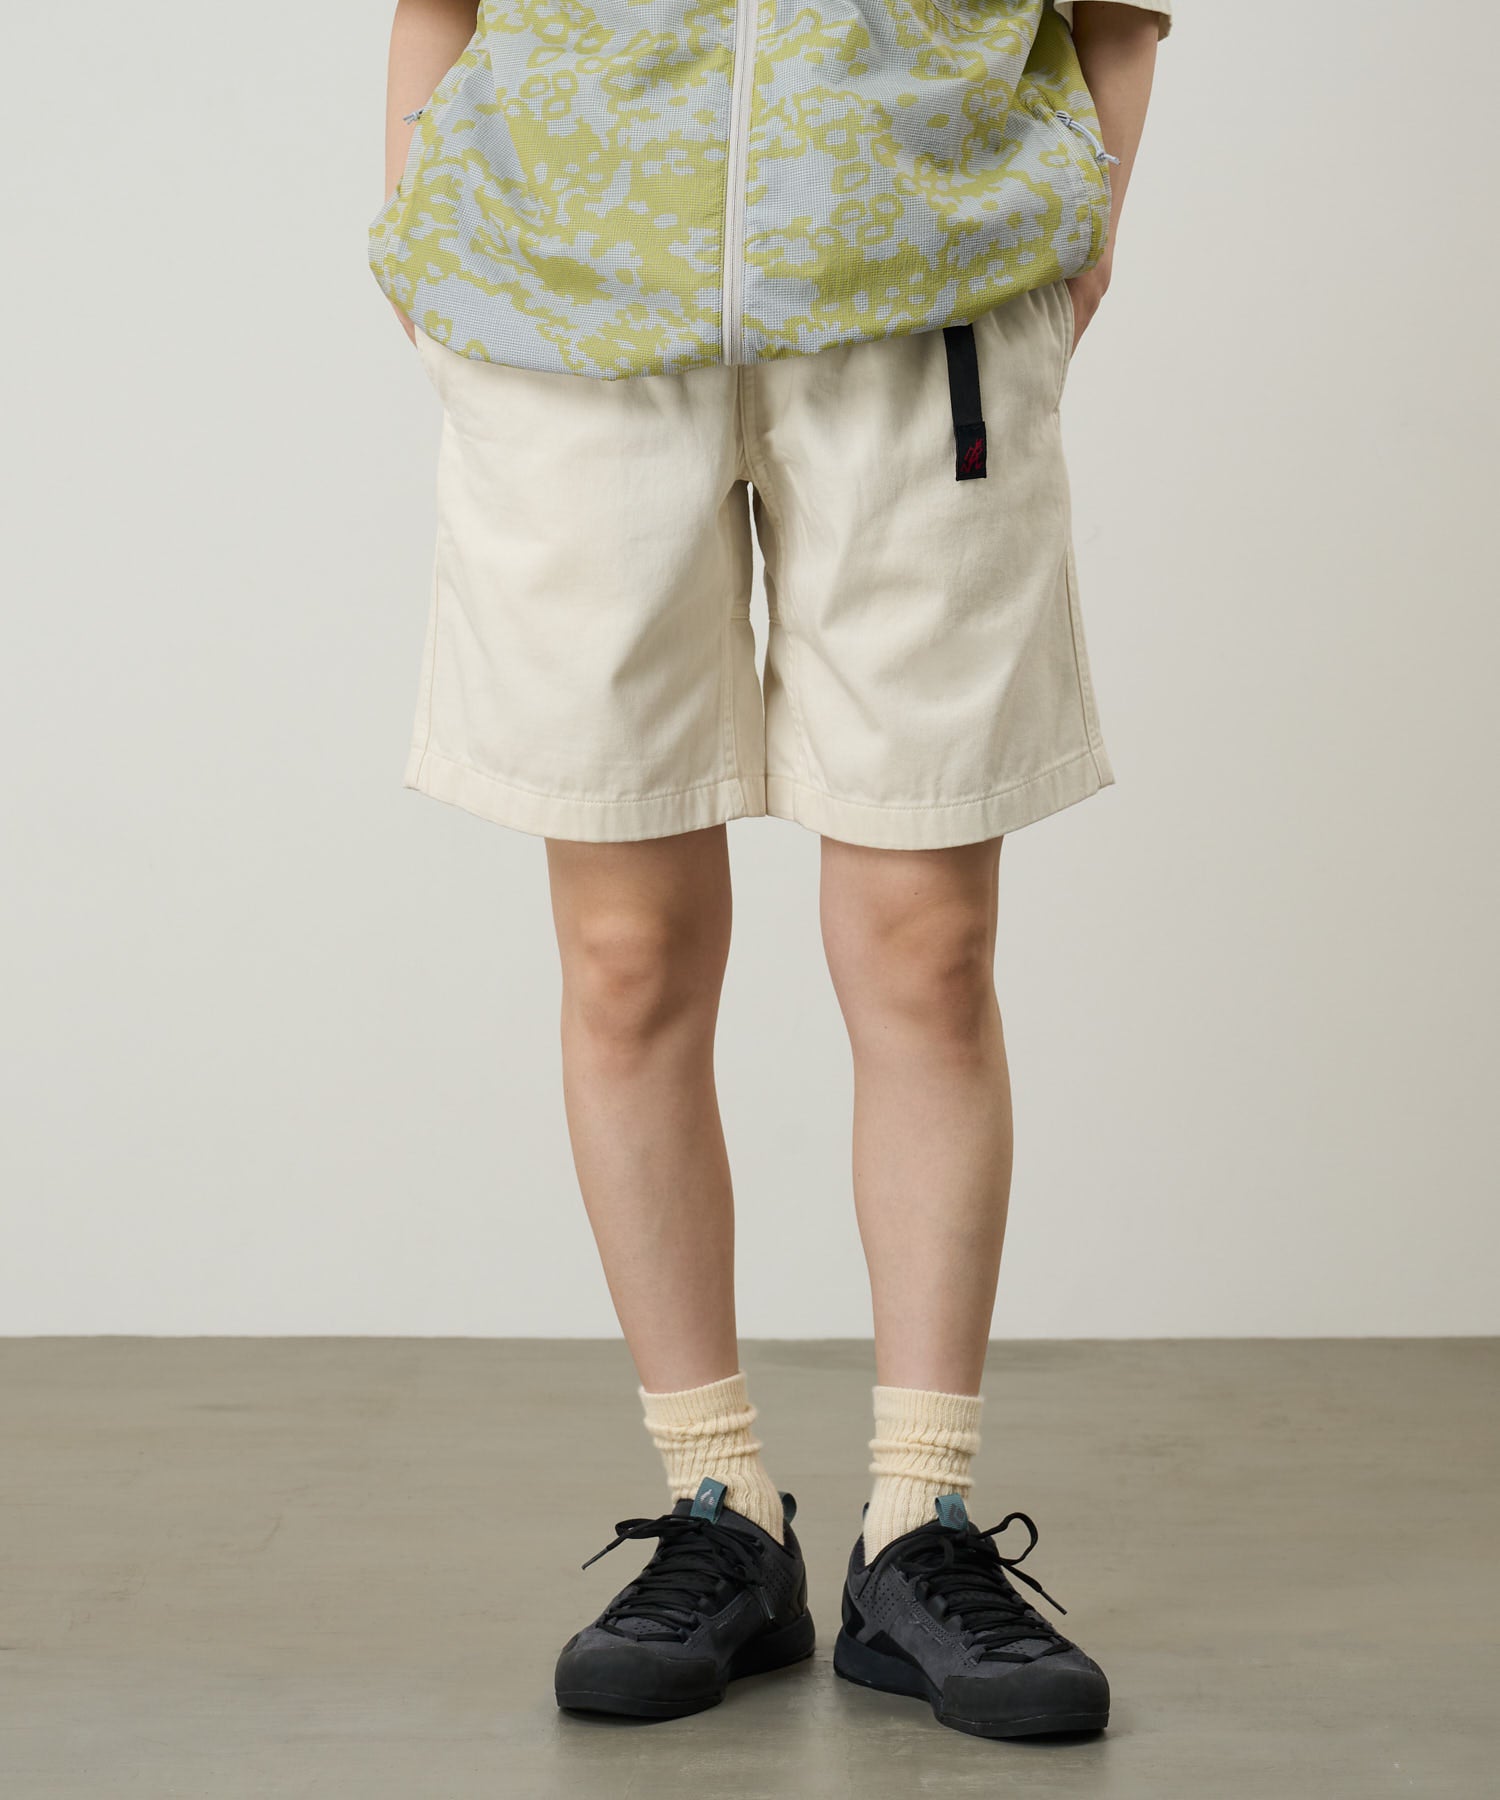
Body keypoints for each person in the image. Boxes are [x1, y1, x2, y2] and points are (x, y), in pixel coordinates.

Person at [374, 0, 1167, 1742]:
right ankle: (718, 1506)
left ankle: (918, 1525)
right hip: (571, 316)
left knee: (926, 947)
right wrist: (419, 227)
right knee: (627, 955)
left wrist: (1077, 233)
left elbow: (1120, 15)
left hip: (922, 314)